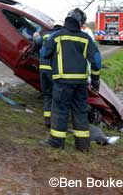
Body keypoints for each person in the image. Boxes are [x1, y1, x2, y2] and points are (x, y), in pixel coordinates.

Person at [42, 8, 101, 151]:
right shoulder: (85, 38)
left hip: (62, 82)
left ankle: (56, 143)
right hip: (80, 83)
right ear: (80, 23)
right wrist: (95, 80)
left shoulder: (57, 36)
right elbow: (97, 60)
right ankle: (82, 146)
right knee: (80, 112)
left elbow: (44, 53)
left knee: (60, 111)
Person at [36, 21, 63, 128]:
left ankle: (47, 120)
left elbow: (37, 43)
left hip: (42, 69)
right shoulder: (60, 36)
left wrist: (36, 36)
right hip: (53, 70)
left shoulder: (46, 34)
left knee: (47, 95)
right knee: (56, 96)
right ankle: (55, 120)